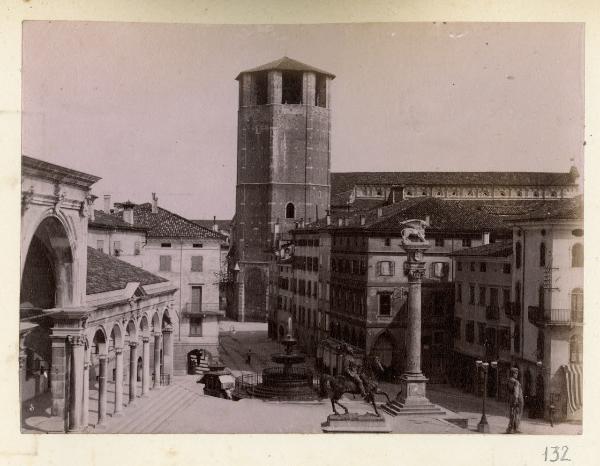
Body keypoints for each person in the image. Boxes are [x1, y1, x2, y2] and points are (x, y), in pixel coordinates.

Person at [506, 367, 524, 434]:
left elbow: (509, 390)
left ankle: (510, 428)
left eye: (517, 373)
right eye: (516, 373)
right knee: (517, 413)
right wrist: (516, 399)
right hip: (518, 399)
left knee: (512, 413)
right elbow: (516, 391)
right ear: (513, 374)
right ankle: (516, 428)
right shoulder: (516, 382)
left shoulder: (509, 380)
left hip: (511, 398)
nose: (517, 374)